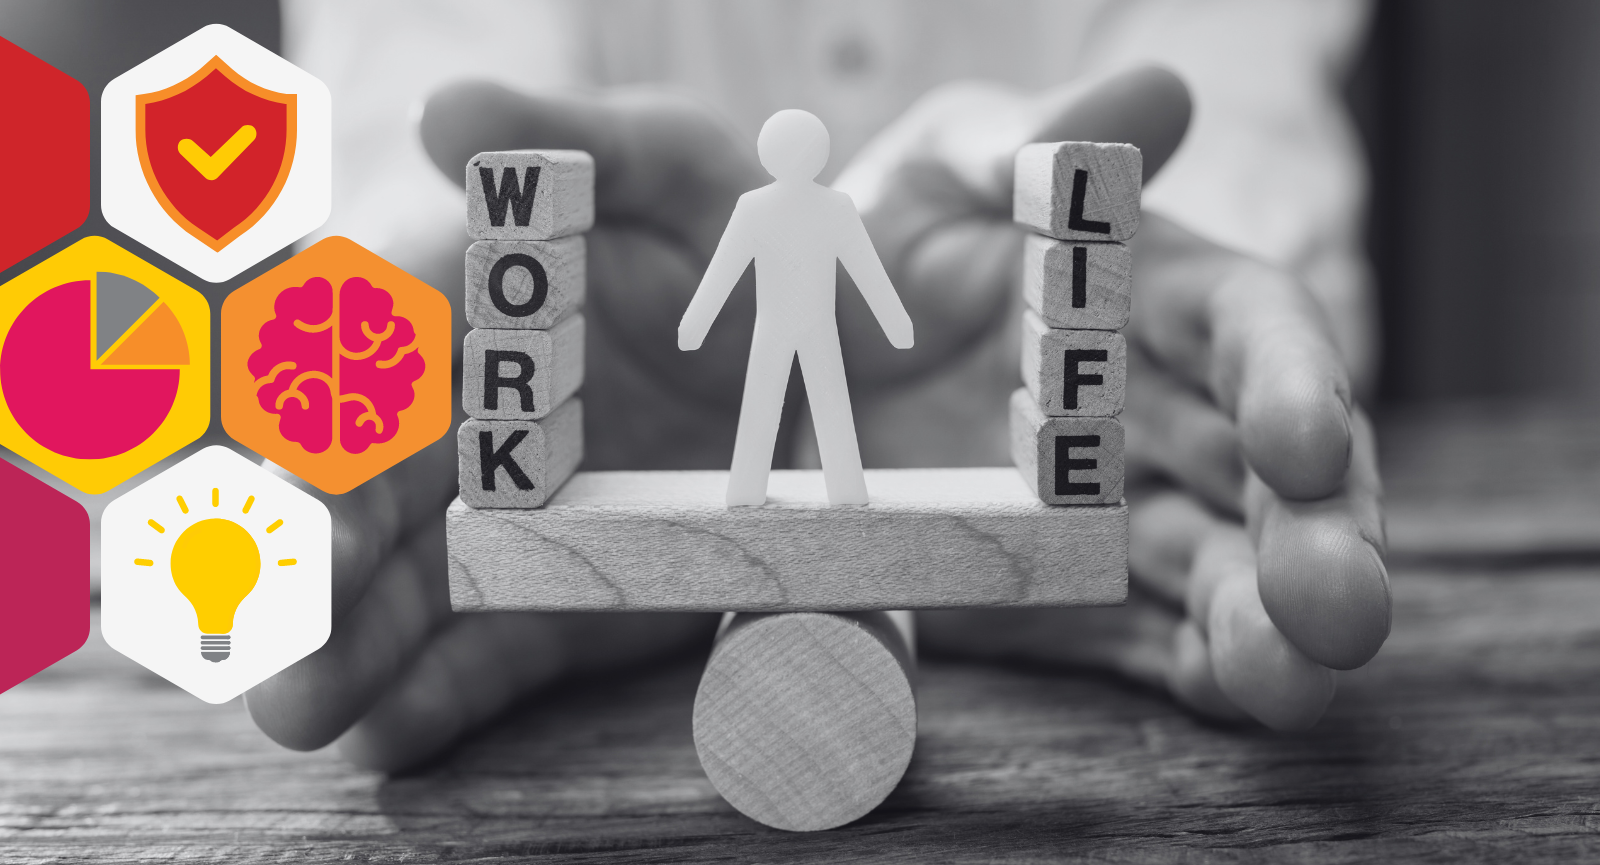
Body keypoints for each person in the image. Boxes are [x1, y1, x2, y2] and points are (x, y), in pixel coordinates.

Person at [0, 0, 1387, 772]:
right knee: (805, 423)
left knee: (831, 428)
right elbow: (430, 88)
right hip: (721, 366)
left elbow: (1242, 95)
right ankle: (773, 469)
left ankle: (808, 470)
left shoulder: (813, 220)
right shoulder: (778, 216)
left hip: (903, 371)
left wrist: (907, 307)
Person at [680, 109, 914, 507]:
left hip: (785, 327)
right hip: (804, 326)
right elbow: (868, 271)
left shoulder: (761, 207)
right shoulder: (827, 207)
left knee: (773, 402)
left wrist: (695, 325)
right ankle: (842, 490)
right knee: (825, 403)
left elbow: (722, 271)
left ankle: (752, 490)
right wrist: (896, 324)